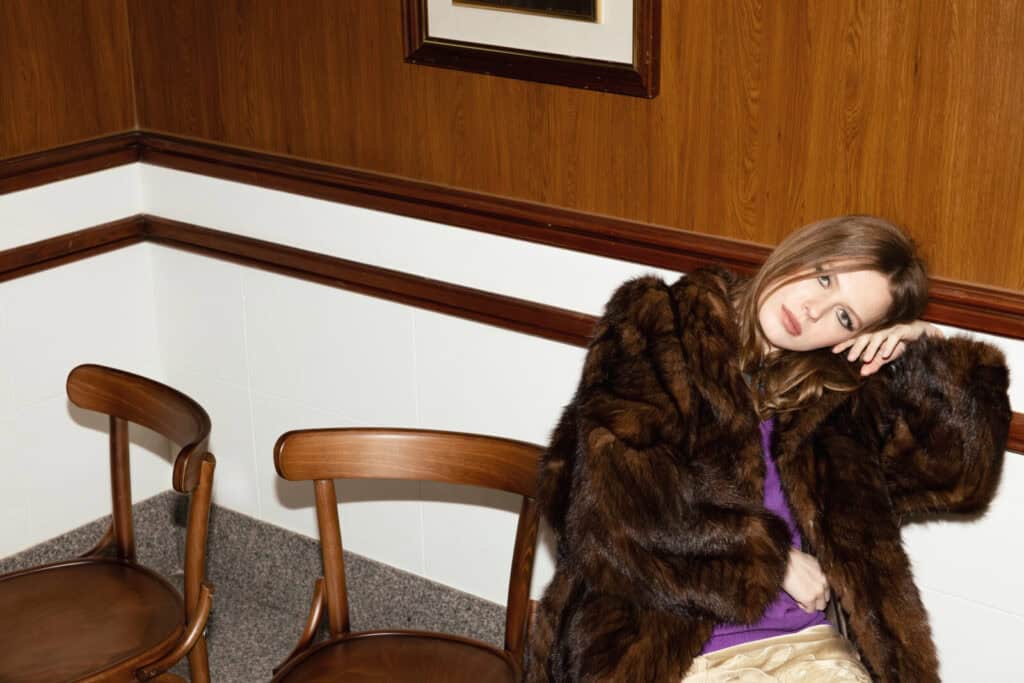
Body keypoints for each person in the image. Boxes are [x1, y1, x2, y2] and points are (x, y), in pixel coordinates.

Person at [525, 215, 1011, 682]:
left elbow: (959, 479)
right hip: (657, 645)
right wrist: (771, 563)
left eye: (845, 316)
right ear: (805, 250)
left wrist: (927, 352)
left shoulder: (838, 397)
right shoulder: (659, 324)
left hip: (801, 645)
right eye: (824, 279)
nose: (814, 311)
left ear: (855, 336)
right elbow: (611, 511)